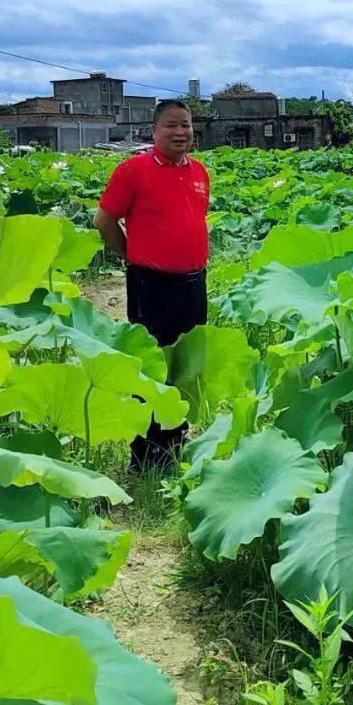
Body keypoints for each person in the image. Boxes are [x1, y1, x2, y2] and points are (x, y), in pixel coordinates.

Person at [93, 99, 209, 463]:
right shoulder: (134, 171)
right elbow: (103, 220)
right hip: (151, 283)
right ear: (154, 131)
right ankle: (147, 454)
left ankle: (177, 440)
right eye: (172, 126)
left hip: (193, 282)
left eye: (186, 125)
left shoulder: (199, 172)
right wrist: (129, 255)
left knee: (185, 365)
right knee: (152, 366)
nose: (180, 132)